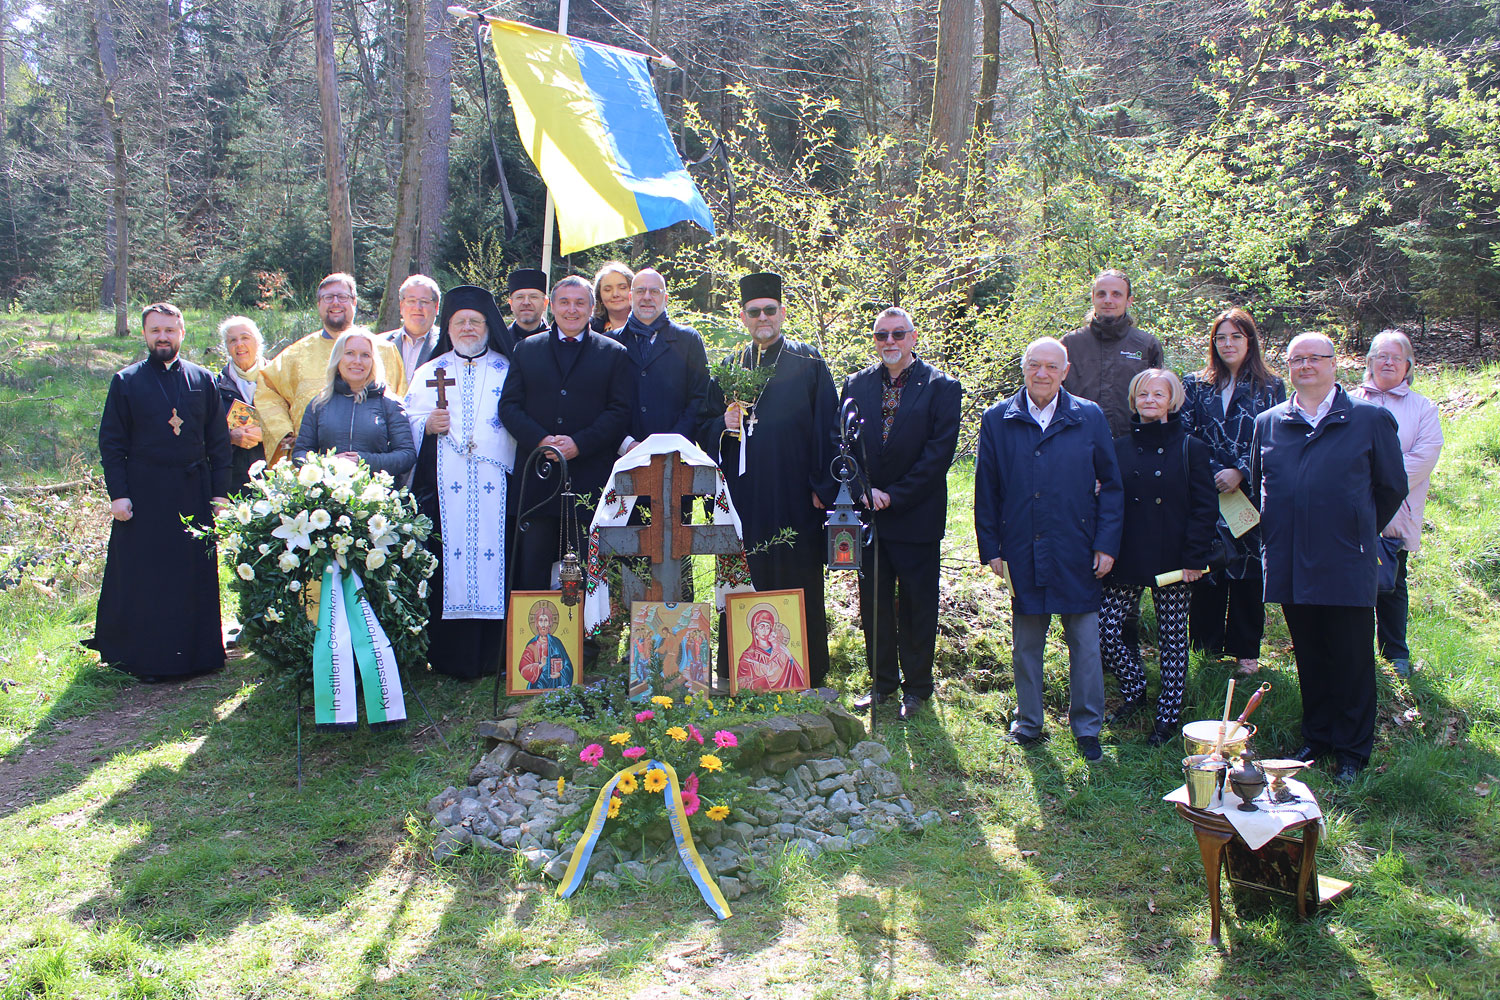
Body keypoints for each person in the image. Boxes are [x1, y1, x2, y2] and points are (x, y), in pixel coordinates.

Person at [1250, 332, 1407, 785]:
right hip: (1291, 561)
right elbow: (1262, 485)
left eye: (1315, 358)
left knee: (1352, 659)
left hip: (1346, 560)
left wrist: (1358, 529)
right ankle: (1317, 738)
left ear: (1335, 364)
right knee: (1311, 656)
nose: (1305, 366)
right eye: (1296, 359)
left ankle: (1353, 751)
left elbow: (1392, 486)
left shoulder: (1369, 420)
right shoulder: (1269, 421)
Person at [974, 337, 1123, 761]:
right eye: (1034, 365)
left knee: (1085, 643)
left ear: (1065, 370)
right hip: (1021, 546)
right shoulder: (998, 418)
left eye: (1051, 367)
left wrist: (1106, 544)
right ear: (1023, 368)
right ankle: (1029, 723)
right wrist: (992, 548)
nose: (1042, 374)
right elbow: (987, 488)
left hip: (1078, 547)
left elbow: (1111, 486)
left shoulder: (1088, 416)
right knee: (1026, 643)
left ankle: (1087, 728)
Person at [702, 272, 839, 687]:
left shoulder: (807, 360)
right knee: (746, 571)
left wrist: (823, 487)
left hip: (797, 492)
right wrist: (721, 425)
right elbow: (704, 425)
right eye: (754, 311)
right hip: (745, 494)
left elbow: (828, 425)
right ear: (743, 317)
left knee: (798, 570)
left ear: (782, 313)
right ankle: (739, 672)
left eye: (770, 310)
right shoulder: (730, 365)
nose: (763, 317)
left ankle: (806, 668)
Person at [89, 303, 232, 682]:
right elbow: (112, 443)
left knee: (192, 573)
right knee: (148, 575)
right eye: (156, 331)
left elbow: (218, 443)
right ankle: (148, 661)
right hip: (144, 492)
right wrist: (117, 495)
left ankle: (199, 656)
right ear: (145, 335)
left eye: (170, 330)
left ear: (182, 333)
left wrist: (220, 494)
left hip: (192, 489)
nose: (163, 337)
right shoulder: (126, 381)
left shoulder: (204, 380)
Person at [841, 307, 963, 719]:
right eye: (881, 336)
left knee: (917, 604)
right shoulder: (856, 384)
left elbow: (938, 453)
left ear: (913, 338)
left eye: (897, 335)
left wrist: (895, 495)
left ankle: (918, 689)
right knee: (873, 604)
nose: (889, 342)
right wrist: (863, 491)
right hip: (869, 514)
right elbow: (843, 446)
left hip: (917, 514)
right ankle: (882, 685)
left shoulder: (942, 386)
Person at [1099, 369, 1218, 745]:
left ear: (1173, 400)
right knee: (1106, 627)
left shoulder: (1191, 448)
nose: (1150, 400)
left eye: (1158, 394)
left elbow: (1204, 508)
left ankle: (1168, 715)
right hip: (1128, 555)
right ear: (1134, 400)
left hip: (1174, 559)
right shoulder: (1117, 447)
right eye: (1143, 394)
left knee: (1172, 638)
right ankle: (1134, 690)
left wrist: (1194, 558)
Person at [404, 285, 517, 680]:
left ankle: (495, 656)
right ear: (447, 328)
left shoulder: (509, 368)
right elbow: (405, 424)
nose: (468, 328)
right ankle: (449, 656)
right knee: (446, 561)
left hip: (497, 485)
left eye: (475, 321)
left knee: (496, 559)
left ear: (488, 326)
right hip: (443, 487)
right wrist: (425, 425)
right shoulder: (428, 373)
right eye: (459, 322)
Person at [500, 275, 633, 605]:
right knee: (532, 571)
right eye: (564, 302)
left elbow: (619, 413)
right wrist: (540, 440)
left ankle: (583, 647)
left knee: (584, 576)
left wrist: (580, 443)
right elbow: (508, 406)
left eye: (579, 303)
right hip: (537, 483)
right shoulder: (527, 349)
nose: (571, 310)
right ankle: (529, 647)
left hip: (587, 483)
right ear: (552, 306)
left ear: (591, 308)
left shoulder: (613, 353)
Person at [1181, 308, 1286, 677]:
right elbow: (1185, 434)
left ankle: (1246, 651)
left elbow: (1274, 438)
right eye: (1221, 337)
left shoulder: (1271, 387)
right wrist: (1211, 473)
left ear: (1250, 341)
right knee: (1208, 568)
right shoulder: (1195, 384)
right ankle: (1205, 650)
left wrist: (1240, 470)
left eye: (1236, 337)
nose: (1228, 344)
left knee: (1248, 573)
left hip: (1250, 494)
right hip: (1205, 492)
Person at [1351, 330, 1443, 678]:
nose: (1388, 362)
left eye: (1396, 357)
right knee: (1349, 582)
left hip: (1394, 509)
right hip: (1348, 508)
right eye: (1380, 356)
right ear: (1369, 362)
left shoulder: (1422, 407)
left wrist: (1379, 481)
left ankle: (1395, 654)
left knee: (1391, 579)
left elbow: (1424, 456)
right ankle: (1353, 650)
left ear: (1408, 365)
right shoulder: (1346, 399)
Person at [257, 273, 407, 463]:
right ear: (319, 304)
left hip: (376, 467)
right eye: (328, 298)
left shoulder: (385, 350)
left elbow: (402, 402)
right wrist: (282, 429)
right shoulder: (295, 354)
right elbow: (267, 388)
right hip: (312, 469)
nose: (335, 303)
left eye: (342, 297)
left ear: (354, 302)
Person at [292, 328, 417, 478]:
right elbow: (300, 454)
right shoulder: (319, 404)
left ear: (373, 361)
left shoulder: (390, 403)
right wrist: (329, 463)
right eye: (349, 353)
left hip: (377, 496)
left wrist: (364, 461)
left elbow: (406, 455)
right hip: (328, 497)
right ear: (338, 358)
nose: (357, 361)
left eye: (365, 355)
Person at [1062, 269, 1166, 439]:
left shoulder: (1147, 345)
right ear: (1093, 298)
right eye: (1102, 294)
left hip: (1133, 445)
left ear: (1129, 300)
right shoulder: (1069, 344)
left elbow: (1161, 403)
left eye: (1116, 294)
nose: (1108, 300)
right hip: (1079, 443)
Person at [215, 315, 266, 495]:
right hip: (232, 481)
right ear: (226, 347)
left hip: (275, 479)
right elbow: (202, 436)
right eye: (232, 340)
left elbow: (298, 428)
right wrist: (230, 437)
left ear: (258, 342)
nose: (239, 344)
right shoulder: (214, 386)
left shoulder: (278, 381)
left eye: (245, 337)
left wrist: (268, 434)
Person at [383, 274, 443, 384]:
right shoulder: (380, 344)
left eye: (424, 301)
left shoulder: (447, 344)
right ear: (401, 306)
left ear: (436, 307)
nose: (417, 307)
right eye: (411, 301)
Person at [735, 604, 807, 691]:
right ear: (755, 630)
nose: (765, 630)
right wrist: (765, 681)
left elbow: (796, 675)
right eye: (761, 626)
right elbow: (743, 686)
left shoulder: (780, 651)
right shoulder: (747, 657)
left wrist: (790, 659)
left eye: (768, 627)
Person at [518, 601, 574, 689]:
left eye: (546, 621)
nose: (543, 625)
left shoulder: (556, 643)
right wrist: (540, 665)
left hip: (556, 683)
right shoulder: (532, 646)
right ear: (536, 624)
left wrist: (560, 673)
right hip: (537, 685)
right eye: (540, 621)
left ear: (550, 623)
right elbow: (523, 668)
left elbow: (568, 665)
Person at [505, 268, 550, 343]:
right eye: (520, 297)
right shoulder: (499, 343)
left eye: (533, 297)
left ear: (545, 303)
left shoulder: (556, 343)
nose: (526, 302)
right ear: (511, 303)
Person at [591, 261, 635, 333]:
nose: (615, 294)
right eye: (608, 290)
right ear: (599, 296)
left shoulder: (648, 326)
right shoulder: (589, 330)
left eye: (622, 288)